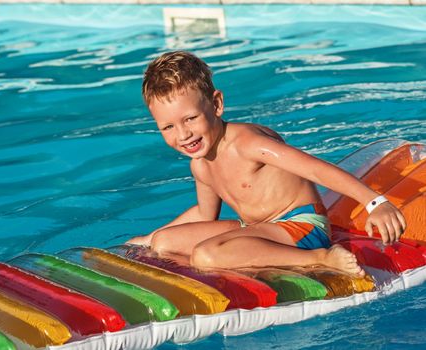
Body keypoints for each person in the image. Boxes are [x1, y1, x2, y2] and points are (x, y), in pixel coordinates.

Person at [127, 51, 406, 276]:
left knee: (207, 255)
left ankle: (319, 259)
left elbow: (315, 169)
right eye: (168, 127)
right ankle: (241, 257)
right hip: (257, 228)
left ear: (216, 104)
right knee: (163, 244)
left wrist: (374, 203)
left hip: (302, 228)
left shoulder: (248, 143)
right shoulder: (200, 164)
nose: (183, 134)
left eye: (190, 119)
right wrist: (149, 238)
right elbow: (204, 213)